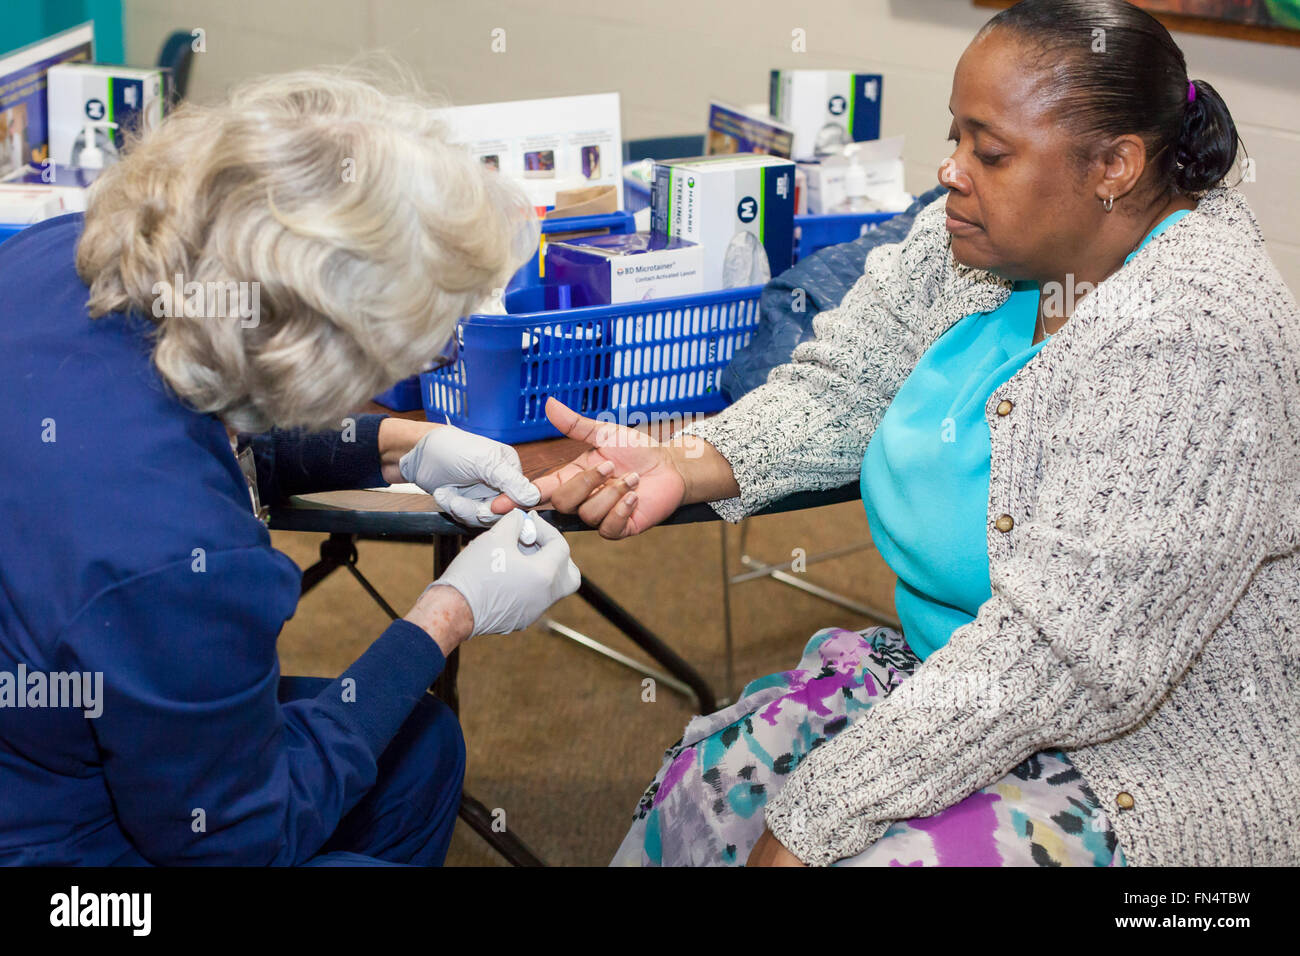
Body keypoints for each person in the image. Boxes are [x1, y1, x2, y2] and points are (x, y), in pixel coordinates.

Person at [497, 0, 1300, 866]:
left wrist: (815, 823)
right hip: (951, 679)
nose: (951, 171)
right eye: (955, 137)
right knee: (709, 787)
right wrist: (688, 460)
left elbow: (1056, 661)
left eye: (989, 152)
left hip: (1146, 765)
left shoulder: (1196, 338)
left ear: (1115, 165)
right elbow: (846, 386)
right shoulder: (977, 239)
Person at [0, 65, 581, 866]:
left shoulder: (63, 259)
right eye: (436, 340)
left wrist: (396, 445)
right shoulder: (176, 562)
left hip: (45, 726)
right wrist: (446, 614)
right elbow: (241, 838)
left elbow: (197, 412)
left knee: (420, 751)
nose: (440, 353)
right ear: (328, 349)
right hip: (52, 848)